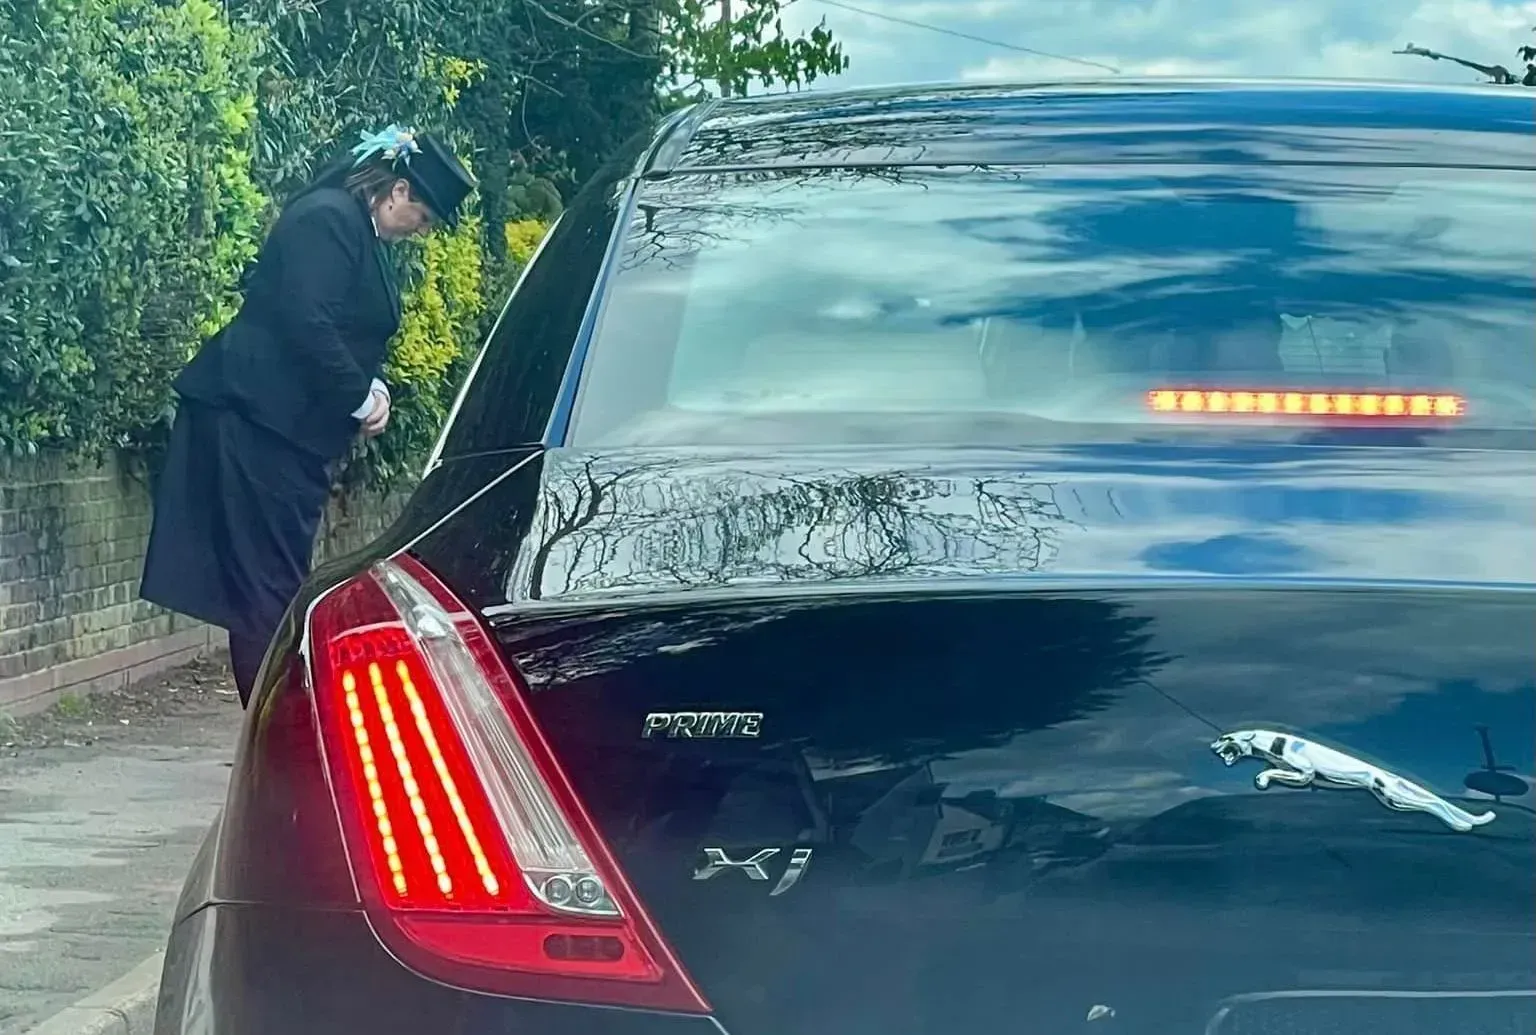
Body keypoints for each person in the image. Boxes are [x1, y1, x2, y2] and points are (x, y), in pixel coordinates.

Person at [138, 125, 476, 708]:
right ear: (397, 190)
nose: (418, 231)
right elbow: (305, 322)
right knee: (264, 591)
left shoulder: (358, 231)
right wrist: (358, 396)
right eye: (420, 217)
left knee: (269, 587)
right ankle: (280, 733)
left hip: (284, 433)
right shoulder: (326, 220)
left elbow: (345, 327)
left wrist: (373, 385)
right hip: (252, 425)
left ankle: (279, 726)